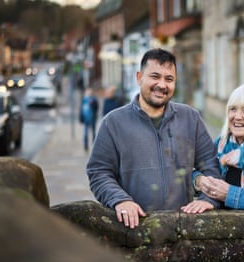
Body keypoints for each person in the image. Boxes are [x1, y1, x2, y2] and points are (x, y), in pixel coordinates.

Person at [86, 48, 221, 229]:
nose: (162, 85)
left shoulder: (190, 118)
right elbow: (99, 172)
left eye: (169, 79)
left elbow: (210, 165)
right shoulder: (113, 122)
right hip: (134, 230)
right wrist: (120, 200)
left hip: (184, 229)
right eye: (155, 76)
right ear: (139, 77)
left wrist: (208, 199)